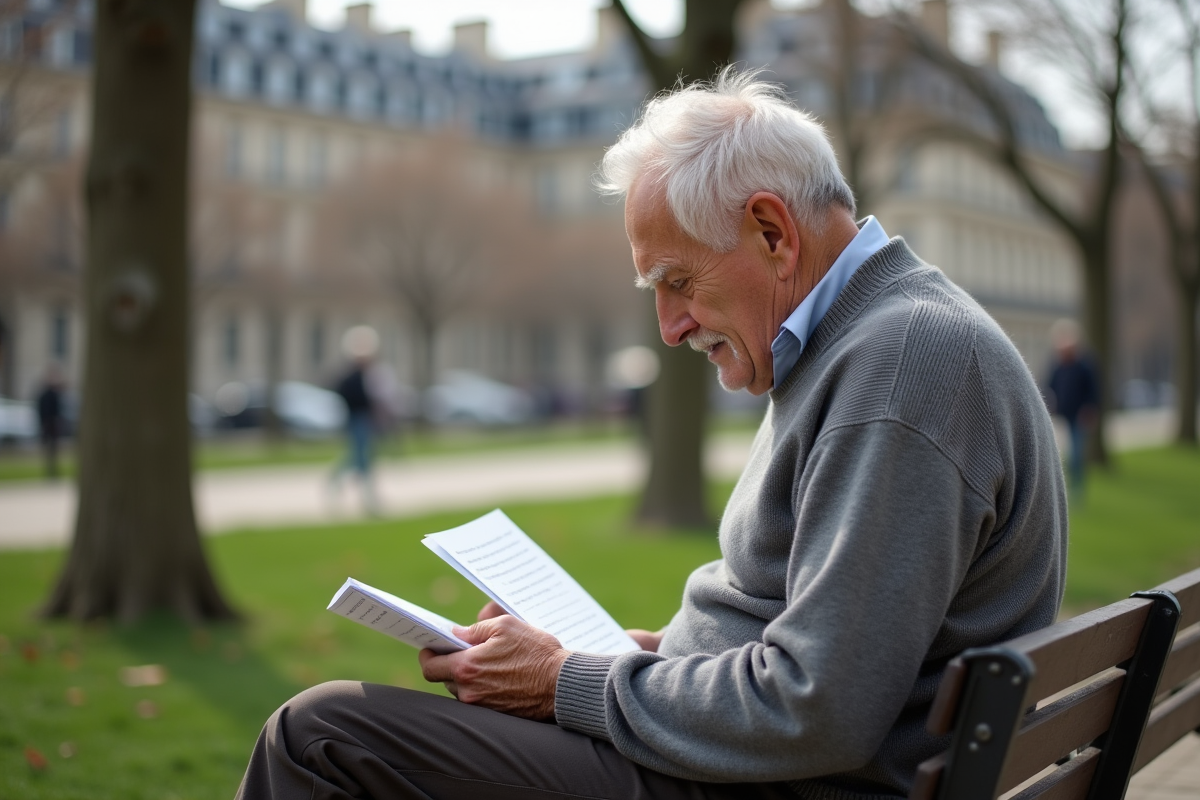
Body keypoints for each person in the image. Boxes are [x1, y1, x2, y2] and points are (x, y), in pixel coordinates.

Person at [238, 70, 1067, 799]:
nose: (670, 328)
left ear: (773, 233)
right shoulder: (872, 339)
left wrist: (565, 682)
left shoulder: (899, 367)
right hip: (757, 770)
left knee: (320, 735)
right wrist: (638, 658)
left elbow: (816, 709)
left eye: (679, 281)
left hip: (773, 785)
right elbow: (818, 642)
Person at [330, 325, 382, 515]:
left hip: (363, 420)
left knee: (362, 458)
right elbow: (351, 397)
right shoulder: (352, 377)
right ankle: (365, 496)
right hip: (357, 420)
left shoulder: (365, 376)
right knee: (360, 459)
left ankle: (367, 496)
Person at [1046, 319, 1099, 493]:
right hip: (1062, 414)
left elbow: (1092, 391)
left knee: (1076, 453)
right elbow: (1049, 387)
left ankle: (1078, 486)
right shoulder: (1058, 367)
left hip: (1079, 415)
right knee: (1063, 453)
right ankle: (1066, 485)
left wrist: (1090, 410)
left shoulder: (1084, 367)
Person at [35, 365, 66, 479]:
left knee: (52, 449)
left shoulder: (51, 394)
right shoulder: (48, 395)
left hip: (51, 424)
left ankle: (52, 470)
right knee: (50, 449)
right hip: (49, 424)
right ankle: (51, 471)